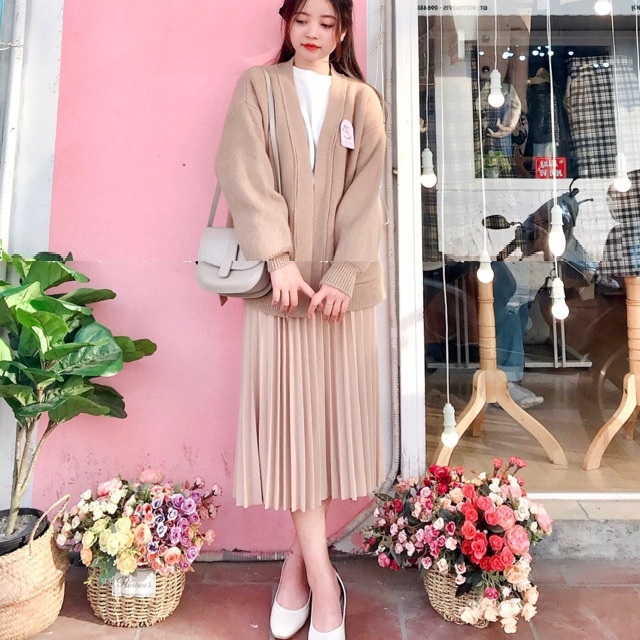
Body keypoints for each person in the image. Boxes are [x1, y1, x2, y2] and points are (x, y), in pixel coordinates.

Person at [215, 1, 386, 638]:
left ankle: (298, 567)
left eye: (327, 23)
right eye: (302, 19)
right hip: (282, 292)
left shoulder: (362, 100)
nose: (313, 32)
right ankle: (323, 581)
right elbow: (243, 170)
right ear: (286, 22)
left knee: (330, 433)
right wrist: (279, 259)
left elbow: (369, 193)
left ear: (343, 32)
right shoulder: (258, 86)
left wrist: (341, 274)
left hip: (341, 297)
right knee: (293, 433)